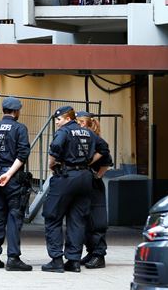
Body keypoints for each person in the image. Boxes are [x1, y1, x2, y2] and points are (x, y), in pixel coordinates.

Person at [41, 106, 98, 273]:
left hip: (66, 177)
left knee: (52, 216)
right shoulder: (87, 132)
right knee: (77, 220)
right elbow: (101, 149)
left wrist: (52, 164)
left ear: (67, 119)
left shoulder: (64, 132)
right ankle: (73, 261)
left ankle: (56, 260)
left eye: (58, 120)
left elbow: (55, 150)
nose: (57, 123)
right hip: (85, 178)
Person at [0, 97, 32, 272]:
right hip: (12, 177)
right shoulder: (19, 128)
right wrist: (9, 175)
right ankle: (13, 258)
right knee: (14, 217)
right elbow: (23, 153)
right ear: (16, 112)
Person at [76, 111, 113, 270]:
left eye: (80, 122)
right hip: (82, 183)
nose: (78, 125)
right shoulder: (82, 139)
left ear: (88, 123)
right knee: (83, 219)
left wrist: (97, 176)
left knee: (96, 220)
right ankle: (91, 251)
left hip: (93, 184)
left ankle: (99, 255)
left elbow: (107, 160)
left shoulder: (96, 140)